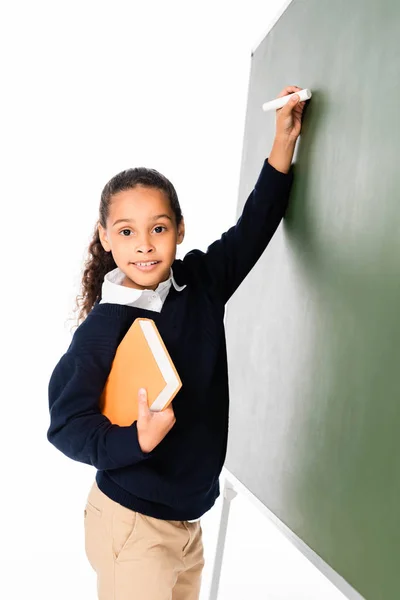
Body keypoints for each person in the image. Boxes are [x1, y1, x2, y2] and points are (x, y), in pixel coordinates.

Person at [47, 85, 306, 600]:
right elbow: (65, 426)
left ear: (180, 230)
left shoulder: (201, 283)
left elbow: (255, 225)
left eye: (158, 227)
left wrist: (282, 144)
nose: (143, 244)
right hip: (131, 526)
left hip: (187, 526)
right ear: (104, 237)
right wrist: (135, 442)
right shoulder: (105, 326)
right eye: (125, 231)